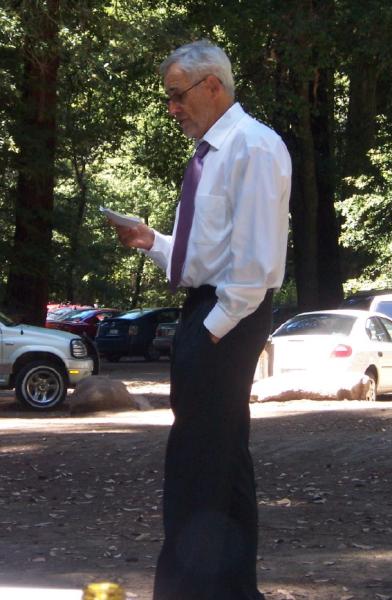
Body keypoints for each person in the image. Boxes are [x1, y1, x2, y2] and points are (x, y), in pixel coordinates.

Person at [112, 40, 291, 600]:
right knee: (224, 463)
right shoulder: (213, 152)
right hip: (212, 310)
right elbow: (205, 258)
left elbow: (254, 265)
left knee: (195, 466)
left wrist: (209, 332)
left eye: (177, 95)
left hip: (227, 318)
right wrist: (153, 242)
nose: (172, 108)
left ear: (212, 85)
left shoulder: (253, 147)